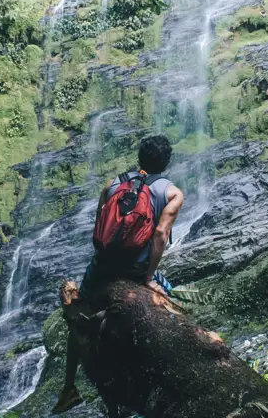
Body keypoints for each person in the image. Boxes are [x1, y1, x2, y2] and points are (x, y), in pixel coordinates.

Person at [52, 134, 184, 414]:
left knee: (77, 312)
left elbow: (101, 224)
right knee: (170, 297)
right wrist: (148, 277)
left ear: (139, 158)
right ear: (167, 162)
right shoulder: (172, 193)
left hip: (102, 266)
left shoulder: (113, 184)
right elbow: (160, 235)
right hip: (135, 269)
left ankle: (68, 387)